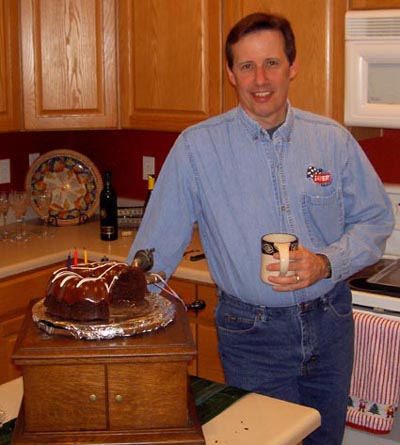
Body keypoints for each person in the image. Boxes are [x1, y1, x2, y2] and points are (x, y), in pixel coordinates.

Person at [128, 12, 394, 445]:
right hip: (252, 336)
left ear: (292, 66)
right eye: (247, 66)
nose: (260, 79)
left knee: (325, 440)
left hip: (330, 323)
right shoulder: (197, 148)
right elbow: (155, 248)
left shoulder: (332, 140)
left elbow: (376, 219)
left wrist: (326, 263)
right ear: (231, 74)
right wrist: (120, 317)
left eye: (271, 63)